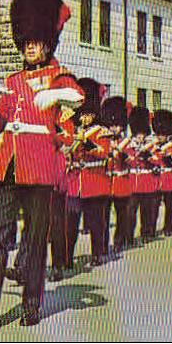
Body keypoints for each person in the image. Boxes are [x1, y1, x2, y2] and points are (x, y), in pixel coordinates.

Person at [0, 0, 83, 329]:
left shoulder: (59, 76)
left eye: (37, 41)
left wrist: (53, 94)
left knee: (36, 240)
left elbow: (77, 98)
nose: (30, 47)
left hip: (39, 168)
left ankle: (31, 302)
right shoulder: (11, 81)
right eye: (26, 41)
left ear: (47, 43)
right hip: (6, 168)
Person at [65, 78, 112, 267]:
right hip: (75, 183)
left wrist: (87, 143)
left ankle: (98, 253)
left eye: (88, 114)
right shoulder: (74, 131)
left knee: (96, 223)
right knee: (70, 223)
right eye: (82, 114)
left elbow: (104, 153)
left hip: (94, 181)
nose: (85, 118)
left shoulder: (101, 132)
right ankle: (66, 257)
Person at [102, 96, 133, 255]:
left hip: (121, 183)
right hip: (106, 183)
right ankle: (103, 245)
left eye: (117, 125)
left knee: (121, 216)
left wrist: (120, 152)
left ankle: (119, 241)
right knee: (104, 218)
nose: (114, 128)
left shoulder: (126, 142)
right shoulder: (103, 141)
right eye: (111, 125)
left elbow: (130, 160)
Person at [129, 106, 161, 243]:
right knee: (130, 213)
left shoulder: (152, 145)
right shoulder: (129, 144)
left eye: (142, 134)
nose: (140, 136)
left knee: (147, 212)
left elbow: (158, 161)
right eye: (138, 134)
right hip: (133, 183)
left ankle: (147, 233)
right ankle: (128, 236)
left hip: (148, 182)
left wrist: (149, 157)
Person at [154, 110, 172, 237]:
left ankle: (168, 226)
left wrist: (169, 158)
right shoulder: (154, 146)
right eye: (158, 134)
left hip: (170, 179)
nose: (159, 137)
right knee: (154, 206)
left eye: (162, 134)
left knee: (169, 207)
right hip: (158, 179)